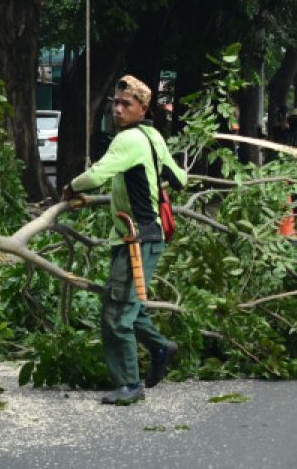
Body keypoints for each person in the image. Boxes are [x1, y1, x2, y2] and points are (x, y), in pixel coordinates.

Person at [61, 75, 187, 405]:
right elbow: (181, 178)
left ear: (142, 108)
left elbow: (97, 174)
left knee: (117, 312)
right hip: (148, 236)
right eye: (115, 104)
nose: (117, 110)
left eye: (125, 104)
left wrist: (72, 187)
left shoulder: (128, 140)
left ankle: (130, 385)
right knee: (128, 303)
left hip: (136, 239)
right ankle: (160, 346)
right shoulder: (152, 135)